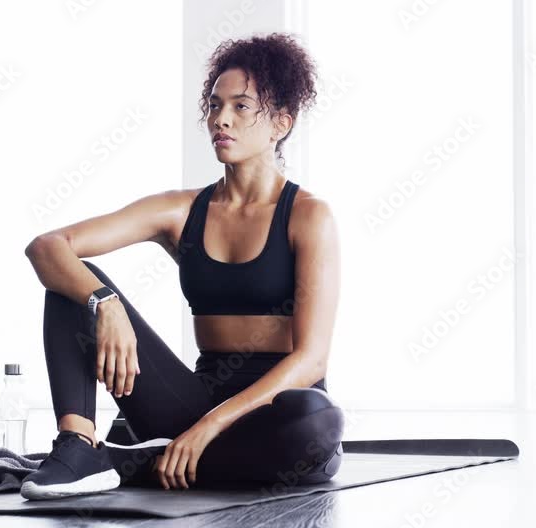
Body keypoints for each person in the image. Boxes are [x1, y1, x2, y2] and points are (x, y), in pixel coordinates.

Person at [19, 32, 343, 501]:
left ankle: (142, 460)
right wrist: (105, 303)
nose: (221, 119)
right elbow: (47, 247)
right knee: (70, 286)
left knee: (318, 419)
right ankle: (81, 447)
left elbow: (311, 359)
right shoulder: (180, 210)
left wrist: (206, 429)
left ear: (280, 123)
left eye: (241, 107)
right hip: (191, 403)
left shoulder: (309, 216)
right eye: (214, 105)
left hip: (272, 414)